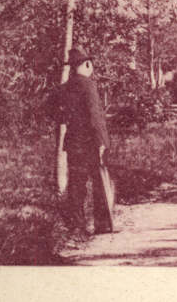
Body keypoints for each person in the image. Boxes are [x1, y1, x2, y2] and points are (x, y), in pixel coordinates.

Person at [56, 47, 113, 234]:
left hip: (73, 141)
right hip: (91, 142)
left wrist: (65, 119)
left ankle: (76, 226)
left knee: (76, 183)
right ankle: (102, 224)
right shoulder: (88, 85)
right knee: (99, 181)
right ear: (87, 64)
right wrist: (102, 142)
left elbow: (50, 108)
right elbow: (94, 116)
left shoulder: (65, 87)